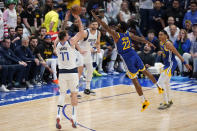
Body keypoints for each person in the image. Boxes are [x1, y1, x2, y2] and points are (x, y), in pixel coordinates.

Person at [91, 11, 164, 112]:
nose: (116, 26)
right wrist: (147, 42)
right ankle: (159, 87)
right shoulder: (127, 33)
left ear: (121, 28)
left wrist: (95, 17)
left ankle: (144, 101)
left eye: (118, 25)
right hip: (134, 54)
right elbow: (138, 38)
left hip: (127, 59)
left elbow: (105, 26)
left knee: (135, 80)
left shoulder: (116, 35)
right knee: (145, 71)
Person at [55, 14, 84, 129]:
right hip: (72, 72)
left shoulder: (56, 44)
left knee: (62, 94)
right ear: (66, 37)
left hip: (61, 73)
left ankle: (58, 114)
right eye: (67, 34)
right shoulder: (71, 42)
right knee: (74, 94)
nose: (68, 35)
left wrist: (65, 19)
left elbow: (60, 32)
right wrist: (79, 19)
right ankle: (74, 116)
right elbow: (81, 33)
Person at [157, 30, 192, 110]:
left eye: (161, 34)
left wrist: (185, 64)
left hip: (171, 64)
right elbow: (166, 53)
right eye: (159, 35)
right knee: (166, 83)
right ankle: (169, 101)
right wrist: (161, 53)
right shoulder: (161, 43)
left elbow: (177, 54)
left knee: (160, 83)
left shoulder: (168, 43)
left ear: (166, 36)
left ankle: (166, 103)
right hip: (167, 65)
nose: (159, 36)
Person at [76, 20, 101, 95]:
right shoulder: (85, 33)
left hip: (87, 53)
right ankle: (74, 91)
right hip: (79, 53)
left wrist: (98, 49)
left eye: (96, 24)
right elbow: (75, 42)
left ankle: (87, 88)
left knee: (90, 70)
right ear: (90, 25)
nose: (95, 26)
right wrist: (80, 50)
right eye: (93, 24)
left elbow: (97, 42)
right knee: (79, 73)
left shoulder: (98, 33)